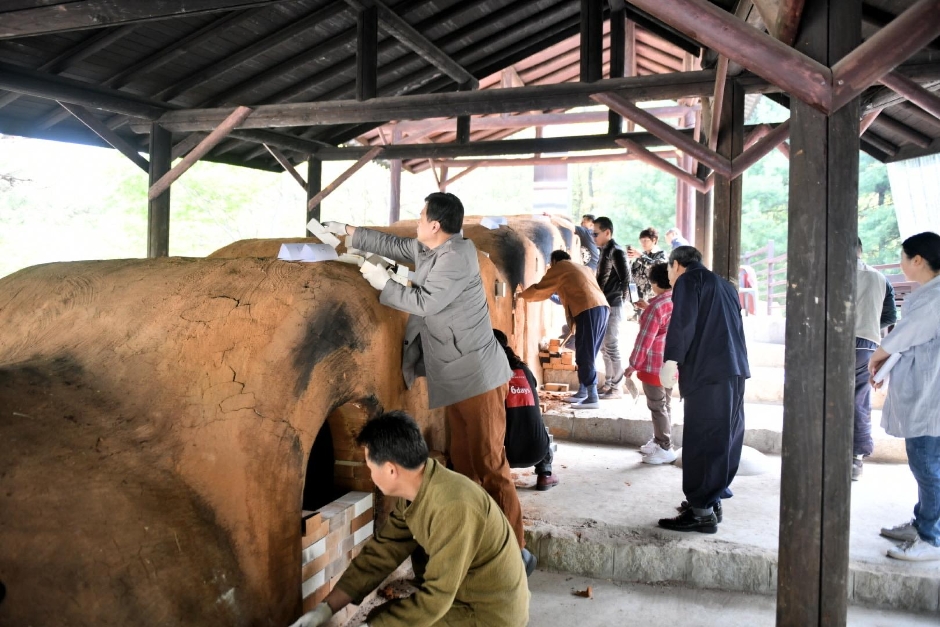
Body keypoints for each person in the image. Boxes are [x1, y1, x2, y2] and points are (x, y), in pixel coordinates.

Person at [323, 193, 530, 569]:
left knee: (489, 464)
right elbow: (396, 245)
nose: (417, 222)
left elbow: (424, 303)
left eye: (421, 218)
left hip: (478, 376)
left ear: (435, 225)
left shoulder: (457, 258)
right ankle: (481, 541)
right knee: (465, 466)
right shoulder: (431, 248)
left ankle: (515, 553)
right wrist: (350, 232)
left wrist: (382, 283)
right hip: (455, 377)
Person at [289, 411, 530, 627]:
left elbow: (436, 598)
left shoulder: (453, 507)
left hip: (489, 614)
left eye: (370, 467)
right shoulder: (420, 488)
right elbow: (382, 552)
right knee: (381, 616)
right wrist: (325, 608)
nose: (370, 475)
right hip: (464, 596)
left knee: (384, 622)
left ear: (390, 470)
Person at [657, 246, 749, 533]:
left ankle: (702, 513)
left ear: (677, 265)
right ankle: (711, 501)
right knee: (724, 437)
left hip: (709, 373)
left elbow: (683, 323)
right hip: (734, 370)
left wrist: (671, 360)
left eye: (669, 270)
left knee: (704, 438)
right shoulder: (725, 285)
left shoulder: (689, 280)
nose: (670, 277)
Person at [870, 232, 940, 562]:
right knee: (926, 464)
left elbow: (906, 334)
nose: (900, 264)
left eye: (903, 257)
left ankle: (931, 537)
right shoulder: (929, 292)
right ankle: (923, 523)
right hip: (926, 392)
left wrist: (876, 357)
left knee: (927, 466)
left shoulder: (935, 297)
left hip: (931, 397)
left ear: (918, 260)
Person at [519, 250, 609, 409]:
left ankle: (592, 397)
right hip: (601, 308)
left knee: (585, 354)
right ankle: (583, 392)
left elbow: (541, 288)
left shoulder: (560, 267)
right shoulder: (579, 268)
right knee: (588, 352)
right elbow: (562, 298)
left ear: (554, 261)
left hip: (588, 309)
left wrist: (521, 295)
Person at [853, 238, 898, 481]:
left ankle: (822, 453)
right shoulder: (880, 278)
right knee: (859, 400)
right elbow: (890, 316)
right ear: (860, 250)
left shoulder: (827, 273)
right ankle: (855, 458)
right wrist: (870, 325)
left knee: (823, 397)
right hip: (866, 345)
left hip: (830, 343)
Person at [493, 329, 559, 490]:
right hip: (539, 450)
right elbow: (533, 387)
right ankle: (545, 474)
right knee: (536, 419)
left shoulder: (491, 374)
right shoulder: (524, 369)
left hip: (507, 455)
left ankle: (493, 476)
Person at [624, 263, 676, 465]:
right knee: (665, 403)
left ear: (654, 283)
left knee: (657, 406)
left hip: (654, 364)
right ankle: (661, 440)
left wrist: (633, 364)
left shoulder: (656, 307)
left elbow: (645, 340)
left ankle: (664, 447)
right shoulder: (676, 300)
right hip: (671, 364)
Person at [593, 216, 633, 399]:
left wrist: (621, 301)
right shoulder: (605, 250)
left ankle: (616, 388)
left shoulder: (616, 251)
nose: (594, 237)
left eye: (596, 234)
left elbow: (626, 279)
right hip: (604, 303)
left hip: (613, 304)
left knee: (611, 346)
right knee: (603, 346)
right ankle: (609, 384)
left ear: (607, 232)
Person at [627, 226, 668, 304]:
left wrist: (641, 256)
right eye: (641, 241)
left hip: (653, 296)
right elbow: (632, 274)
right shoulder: (640, 255)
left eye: (646, 240)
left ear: (654, 240)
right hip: (638, 297)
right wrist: (628, 260)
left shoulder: (661, 254)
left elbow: (657, 266)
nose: (643, 243)